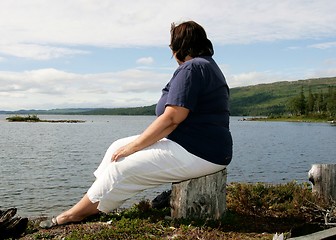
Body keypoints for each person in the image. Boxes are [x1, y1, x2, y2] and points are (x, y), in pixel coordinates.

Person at [40, 20, 233, 228]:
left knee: (122, 169)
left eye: (171, 46)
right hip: (197, 145)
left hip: (201, 152)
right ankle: (95, 203)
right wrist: (131, 146)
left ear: (179, 46)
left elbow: (172, 118)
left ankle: (73, 215)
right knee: (116, 147)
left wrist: (135, 147)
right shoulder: (206, 65)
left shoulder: (192, 68)